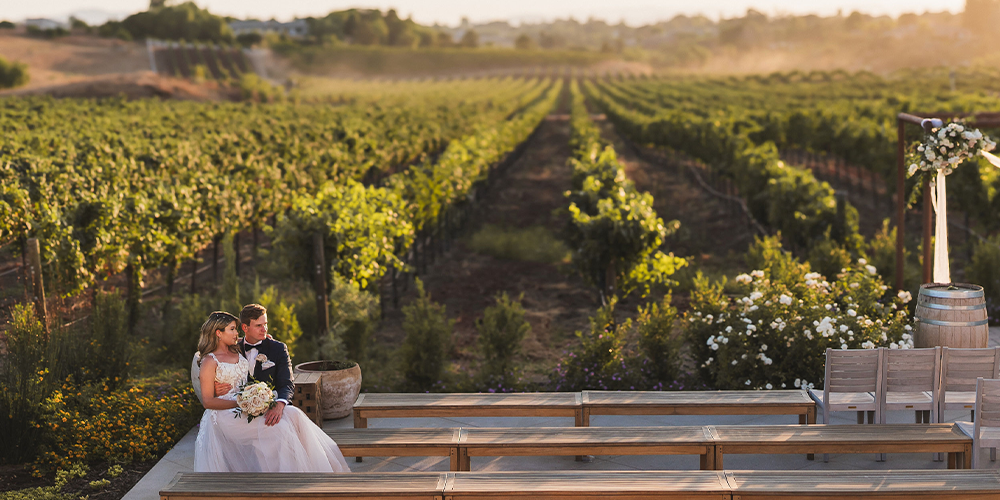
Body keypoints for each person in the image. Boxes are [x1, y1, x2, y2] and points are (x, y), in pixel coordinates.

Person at [192, 310, 351, 473]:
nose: (236, 333)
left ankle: (318, 470)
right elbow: (207, 401)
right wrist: (241, 401)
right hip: (227, 415)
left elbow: (248, 341)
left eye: (236, 329)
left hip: (247, 405)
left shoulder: (235, 348)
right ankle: (283, 481)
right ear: (219, 333)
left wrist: (265, 339)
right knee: (279, 429)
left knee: (294, 414)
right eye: (232, 329)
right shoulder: (210, 360)